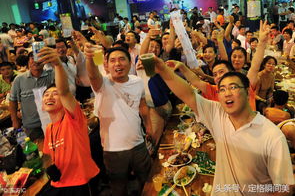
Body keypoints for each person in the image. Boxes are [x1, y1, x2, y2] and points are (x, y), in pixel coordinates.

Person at [153, 56, 294, 194]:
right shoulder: (217, 113)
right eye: (222, 89)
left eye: (233, 87)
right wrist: (162, 69)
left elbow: (286, 188)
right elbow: (188, 94)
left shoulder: (272, 136)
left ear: (247, 91)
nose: (227, 93)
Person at [85, 46, 152, 196]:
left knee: (147, 181)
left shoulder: (137, 81)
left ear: (130, 63)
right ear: (107, 65)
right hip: (113, 150)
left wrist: (149, 126)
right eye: (113, 60)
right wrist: (90, 58)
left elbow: (142, 104)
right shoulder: (102, 84)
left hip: (138, 144)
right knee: (118, 188)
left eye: (122, 59)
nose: (117, 64)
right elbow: (93, 75)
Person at [38, 47, 99, 196]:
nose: (49, 97)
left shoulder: (73, 119)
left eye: (54, 94)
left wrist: (58, 65)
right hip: (59, 183)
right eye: (46, 95)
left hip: (80, 183)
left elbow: (64, 91)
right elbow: (47, 154)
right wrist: (50, 167)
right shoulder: (49, 128)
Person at [9, 52, 54, 140]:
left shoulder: (51, 74)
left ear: (44, 61)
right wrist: (14, 120)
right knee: (38, 151)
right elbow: (12, 100)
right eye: (33, 58)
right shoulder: (19, 79)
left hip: (52, 121)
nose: (36, 61)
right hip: (32, 126)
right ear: (28, 62)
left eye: (39, 58)